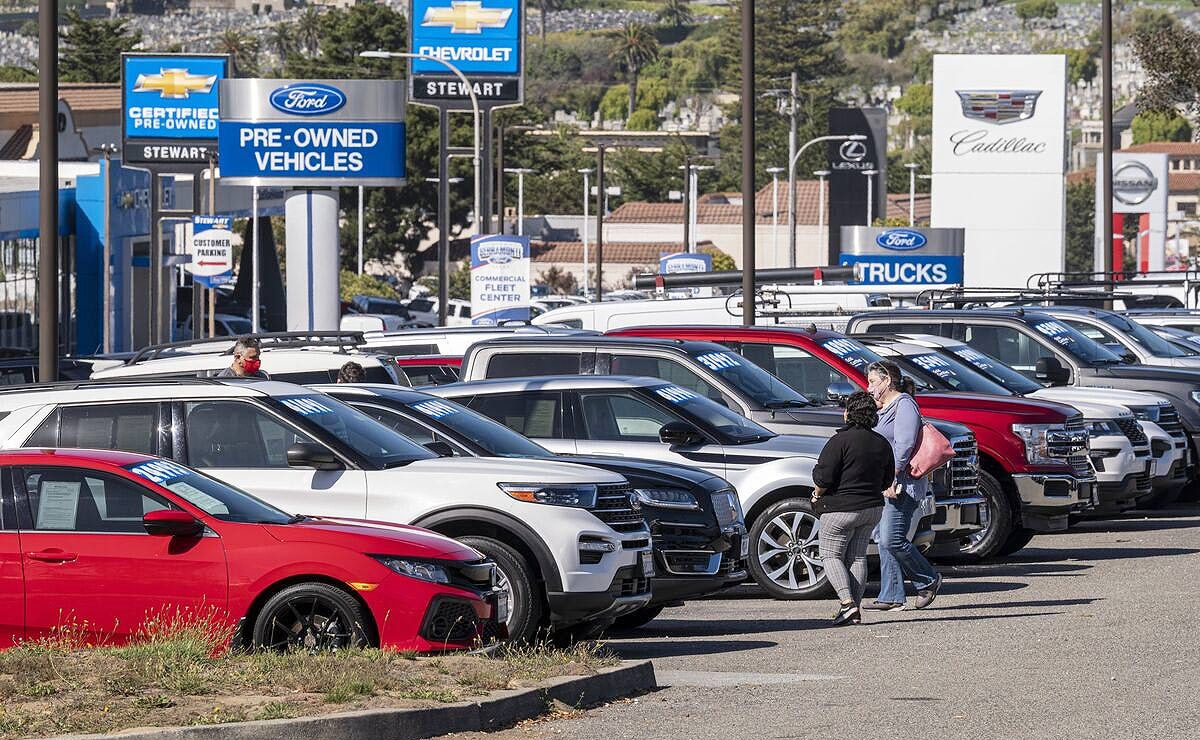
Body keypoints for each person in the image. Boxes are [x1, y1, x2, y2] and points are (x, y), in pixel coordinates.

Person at [863, 360, 943, 612]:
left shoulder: (904, 405)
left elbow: (904, 445)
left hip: (902, 483)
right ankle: (891, 595)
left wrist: (891, 476)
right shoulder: (884, 406)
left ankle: (928, 580)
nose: (869, 387)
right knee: (884, 538)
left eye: (873, 382)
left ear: (887, 380)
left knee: (892, 538)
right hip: (887, 481)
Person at [811, 391, 893, 626]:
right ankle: (853, 610)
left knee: (830, 554)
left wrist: (816, 495)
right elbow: (887, 480)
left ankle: (847, 604)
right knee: (857, 557)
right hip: (871, 509)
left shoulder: (839, 441)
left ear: (849, 413)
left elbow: (823, 478)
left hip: (840, 510)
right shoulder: (881, 443)